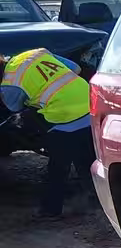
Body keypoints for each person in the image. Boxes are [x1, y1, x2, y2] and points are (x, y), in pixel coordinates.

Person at [0, 48, 94, 218]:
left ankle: (51, 210)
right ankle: (98, 201)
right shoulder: (34, 53)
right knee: (87, 159)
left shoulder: (9, 85)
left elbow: (14, 108)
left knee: (58, 167)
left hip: (66, 118)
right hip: (90, 104)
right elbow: (76, 68)